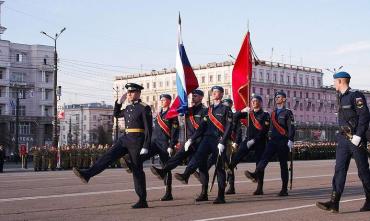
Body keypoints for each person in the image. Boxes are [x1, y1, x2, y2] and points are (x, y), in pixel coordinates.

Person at [73, 83, 152, 209]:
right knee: (108, 155)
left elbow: (149, 129)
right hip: (125, 138)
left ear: (138, 93)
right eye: (128, 92)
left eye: (131, 92)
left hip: (137, 140)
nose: (129, 94)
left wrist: (146, 145)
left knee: (137, 169)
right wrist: (119, 102)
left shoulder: (144, 108)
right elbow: (116, 114)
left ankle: (142, 200)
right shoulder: (128, 108)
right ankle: (87, 174)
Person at [316, 71, 370, 213]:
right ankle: (334, 202)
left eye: (335, 81)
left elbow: (364, 116)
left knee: (363, 171)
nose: (334, 84)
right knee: (339, 170)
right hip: (343, 139)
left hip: (355, 139)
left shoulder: (355, 95)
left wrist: (359, 135)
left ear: (340, 81)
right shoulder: (340, 97)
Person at [174, 86, 233, 204]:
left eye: (217, 92)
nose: (214, 94)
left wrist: (223, 142)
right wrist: (191, 139)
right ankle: (186, 175)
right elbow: (202, 127)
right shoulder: (208, 110)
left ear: (222, 94)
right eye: (213, 92)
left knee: (219, 168)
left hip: (218, 140)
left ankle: (221, 196)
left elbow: (228, 127)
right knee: (197, 157)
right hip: (206, 139)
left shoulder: (226, 109)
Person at [150, 89, 209, 201]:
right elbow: (178, 115)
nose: (193, 97)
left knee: (202, 168)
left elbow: (202, 128)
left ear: (201, 97)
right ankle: (163, 171)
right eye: (192, 95)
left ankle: (204, 193)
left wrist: (191, 139)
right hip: (188, 142)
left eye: (196, 96)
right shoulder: (188, 110)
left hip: (200, 142)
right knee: (177, 158)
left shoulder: (205, 111)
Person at [245, 90, 295, 196]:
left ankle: (284, 189)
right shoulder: (272, 113)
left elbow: (291, 127)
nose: (277, 99)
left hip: (283, 141)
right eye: (276, 97)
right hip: (272, 141)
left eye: (279, 97)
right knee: (264, 158)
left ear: (284, 99)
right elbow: (269, 128)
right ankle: (255, 174)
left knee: (283, 165)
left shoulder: (287, 112)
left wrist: (291, 140)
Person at [138, 94, 179, 201]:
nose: (161, 101)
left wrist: (171, 145)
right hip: (154, 142)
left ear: (169, 101)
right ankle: (131, 163)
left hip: (164, 144)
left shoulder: (172, 114)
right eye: (160, 100)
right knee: (142, 155)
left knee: (165, 167)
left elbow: (175, 131)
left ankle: (168, 192)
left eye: (163, 100)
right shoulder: (158, 114)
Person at [227, 94, 270, 195]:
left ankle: (260, 188)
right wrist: (242, 111)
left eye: (256, 101)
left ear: (260, 102)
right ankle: (230, 168)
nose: (254, 102)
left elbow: (264, 130)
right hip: (248, 140)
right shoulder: (248, 113)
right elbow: (234, 117)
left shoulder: (265, 115)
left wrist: (254, 140)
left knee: (259, 164)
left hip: (260, 141)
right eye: (253, 101)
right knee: (237, 155)